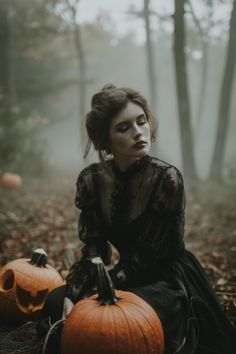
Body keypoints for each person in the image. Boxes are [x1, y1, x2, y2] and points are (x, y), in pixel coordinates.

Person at [37, 84, 236, 354]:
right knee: (56, 301)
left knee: (128, 320)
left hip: (167, 280)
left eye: (141, 122)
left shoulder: (166, 179)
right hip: (125, 274)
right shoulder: (91, 181)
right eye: (124, 127)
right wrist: (74, 292)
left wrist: (103, 287)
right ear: (106, 139)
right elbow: (94, 250)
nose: (138, 132)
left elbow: (151, 256)